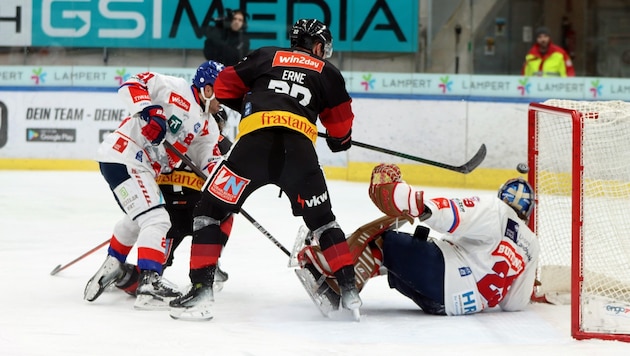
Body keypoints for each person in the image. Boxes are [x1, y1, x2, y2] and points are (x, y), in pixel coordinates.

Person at [168, 18, 360, 321]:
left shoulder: (264, 55)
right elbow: (340, 132)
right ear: (319, 45)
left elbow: (223, 86)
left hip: (251, 151)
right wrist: (340, 139)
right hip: (300, 156)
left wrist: (253, 102)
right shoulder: (329, 73)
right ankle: (350, 292)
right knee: (324, 223)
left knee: (208, 212)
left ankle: (202, 292)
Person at [296, 164, 540, 316]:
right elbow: (514, 304)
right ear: (527, 213)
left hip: (442, 279)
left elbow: (454, 215)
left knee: (384, 241)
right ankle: (346, 273)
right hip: (450, 306)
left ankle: (335, 278)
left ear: (502, 196)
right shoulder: (531, 245)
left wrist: (414, 202)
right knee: (399, 257)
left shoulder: (496, 209)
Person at [83, 60, 226, 310]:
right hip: (126, 155)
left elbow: (209, 161)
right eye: (222, 92)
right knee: (157, 220)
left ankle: (114, 262)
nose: (224, 100)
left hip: (140, 167)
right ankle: (149, 284)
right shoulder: (175, 87)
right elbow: (132, 82)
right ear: (207, 88)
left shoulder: (209, 126)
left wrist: (226, 184)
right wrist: (150, 111)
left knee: (139, 217)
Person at [115, 108, 234, 296]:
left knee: (149, 272)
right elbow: (230, 183)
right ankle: (210, 261)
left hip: (169, 214)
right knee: (226, 211)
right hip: (196, 212)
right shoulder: (222, 144)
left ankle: (121, 275)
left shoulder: (175, 137)